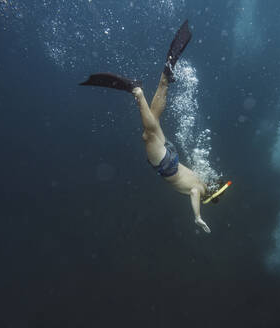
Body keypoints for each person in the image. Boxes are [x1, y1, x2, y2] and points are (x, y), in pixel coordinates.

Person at [80, 20, 213, 233]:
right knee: (148, 134)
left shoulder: (201, 177)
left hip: (172, 156)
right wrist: (197, 217)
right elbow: (196, 193)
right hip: (167, 166)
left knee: (154, 122)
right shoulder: (201, 188)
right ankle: (137, 91)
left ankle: (165, 79)